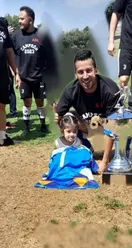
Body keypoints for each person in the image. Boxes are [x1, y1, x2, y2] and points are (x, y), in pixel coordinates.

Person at [54, 49, 120, 173]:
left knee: (116, 124)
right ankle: (82, 148)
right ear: (76, 74)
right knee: (67, 117)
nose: (85, 76)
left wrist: (104, 162)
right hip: (85, 126)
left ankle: (114, 154)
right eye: (80, 72)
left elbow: (113, 126)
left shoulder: (109, 89)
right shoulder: (70, 90)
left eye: (89, 70)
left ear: (96, 70)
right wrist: (57, 118)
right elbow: (60, 118)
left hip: (106, 127)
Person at [11, 6, 53, 136]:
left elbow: (49, 57)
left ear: (31, 20)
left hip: (40, 77)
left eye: (22, 19)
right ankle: (26, 127)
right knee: (27, 102)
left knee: (40, 101)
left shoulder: (41, 35)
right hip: (24, 77)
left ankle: (42, 125)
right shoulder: (15, 37)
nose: (19, 21)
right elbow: (11, 56)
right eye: (19, 18)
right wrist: (16, 74)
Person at [0, 17, 20, 146]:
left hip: (1, 71)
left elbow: (9, 51)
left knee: (1, 105)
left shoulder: (2, 24)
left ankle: (2, 137)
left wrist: (16, 72)